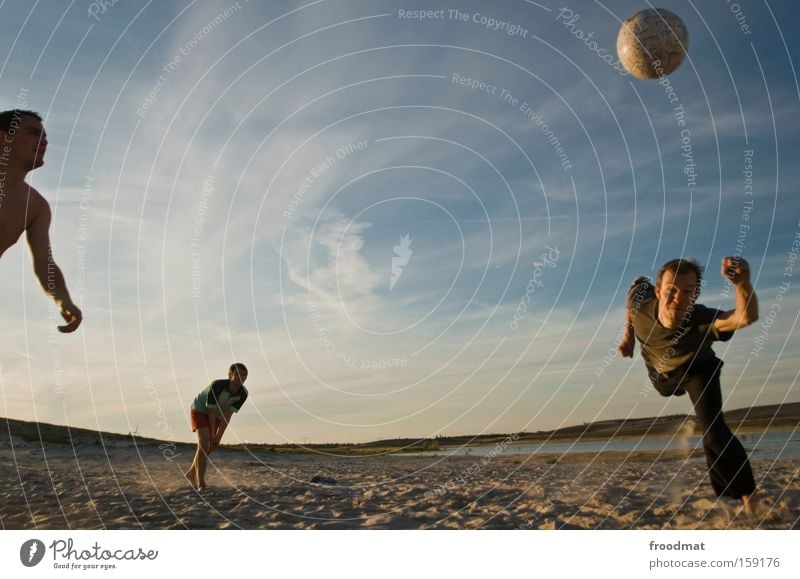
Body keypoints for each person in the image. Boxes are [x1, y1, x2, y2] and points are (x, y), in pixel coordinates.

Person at [617, 256, 760, 516]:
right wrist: (628, 337)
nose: (678, 297)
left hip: (699, 370)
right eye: (671, 290)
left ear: (695, 295)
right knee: (665, 391)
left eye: (688, 291)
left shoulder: (701, 318)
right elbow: (633, 298)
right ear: (658, 291)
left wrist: (742, 284)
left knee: (715, 431)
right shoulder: (641, 300)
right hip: (663, 376)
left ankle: (749, 498)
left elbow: (744, 317)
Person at [0, 109, 82, 332]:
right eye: (33, 133)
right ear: (3, 137)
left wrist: (63, 300)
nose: (43, 141)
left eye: (45, 137)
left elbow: (44, 263)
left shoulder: (36, 206)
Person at [185, 363, 249, 490]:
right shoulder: (217, 386)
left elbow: (227, 416)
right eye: (238, 374)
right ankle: (201, 482)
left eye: (244, 375)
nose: (241, 377)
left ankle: (191, 473)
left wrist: (218, 437)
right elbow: (211, 412)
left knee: (211, 445)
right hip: (200, 410)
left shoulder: (243, 394)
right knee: (204, 442)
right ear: (230, 375)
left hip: (218, 415)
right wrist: (212, 435)